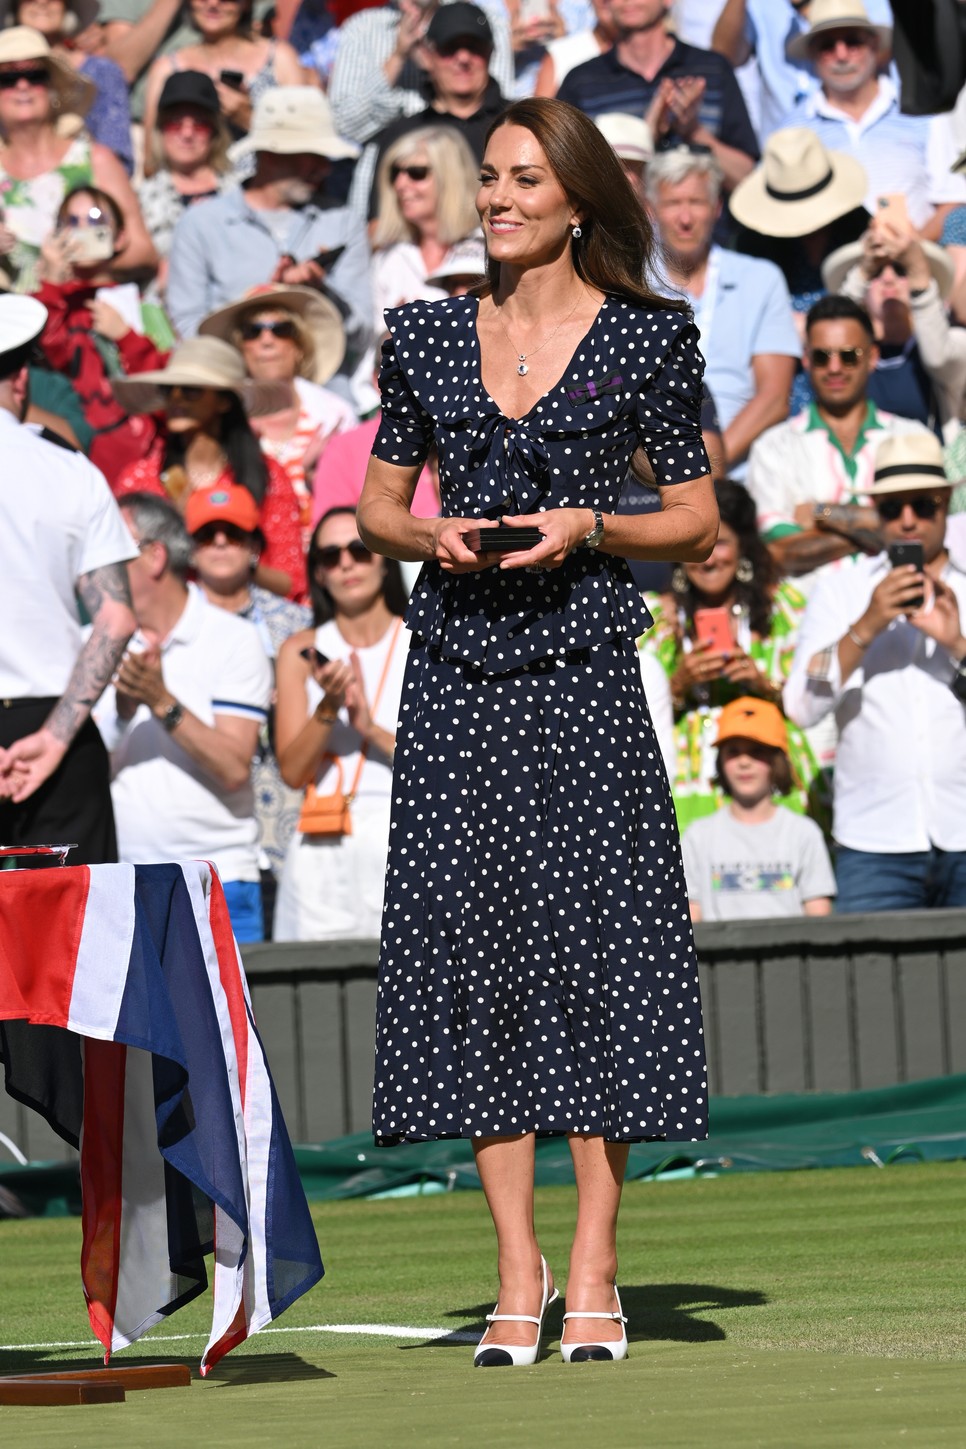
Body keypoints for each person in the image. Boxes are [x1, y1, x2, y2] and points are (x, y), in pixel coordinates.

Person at [357, 96, 717, 1366]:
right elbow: (377, 509)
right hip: (456, 674)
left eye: (521, 180)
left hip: (581, 677)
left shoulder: (647, 341)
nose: (496, 198)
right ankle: (514, 1269)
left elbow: (697, 522)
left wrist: (592, 524)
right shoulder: (424, 335)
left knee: (600, 952)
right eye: (488, 180)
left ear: (576, 198)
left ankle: (596, 1260)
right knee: (478, 959)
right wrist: (430, 536)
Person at [784, 432, 966, 912]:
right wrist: (865, 626)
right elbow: (802, 705)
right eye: (892, 508)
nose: (907, 519)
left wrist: (957, 644)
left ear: (945, 502)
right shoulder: (842, 591)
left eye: (922, 505)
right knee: (871, 986)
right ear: (877, 512)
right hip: (874, 843)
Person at [97, 492, 272, 941]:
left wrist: (160, 701)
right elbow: (84, 771)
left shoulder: (233, 639)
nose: (95, 562)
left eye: (109, 545)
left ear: (153, 556)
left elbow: (234, 767)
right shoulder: (92, 642)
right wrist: (121, 711)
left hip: (217, 880)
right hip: (122, 881)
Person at [0, 293, 136, 862]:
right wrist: (57, 737)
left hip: (51, 722)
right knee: (80, 945)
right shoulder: (70, 471)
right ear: (22, 379)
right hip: (55, 726)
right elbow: (116, 616)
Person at [164, 86, 371, 407]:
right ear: (272, 155)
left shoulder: (343, 222)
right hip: (233, 401)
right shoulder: (201, 223)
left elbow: (361, 331)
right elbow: (188, 326)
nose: (325, 168)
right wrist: (258, 312)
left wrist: (322, 296)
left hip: (327, 401)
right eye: (313, 156)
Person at [639, 477, 823, 833]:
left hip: (766, 767)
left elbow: (812, 703)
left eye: (719, 543)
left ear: (743, 550)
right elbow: (630, 718)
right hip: (684, 779)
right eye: (696, 545)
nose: (707, 559)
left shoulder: (785, 611)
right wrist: (677, 685)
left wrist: (761, 684)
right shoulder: (651, 619)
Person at [273, 507, 409, 940]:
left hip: (403, 833)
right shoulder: (302, 649)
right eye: (330, 556)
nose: (346, 563)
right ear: (319, 572)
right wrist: (328, 706)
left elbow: (447, 765)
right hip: (320, 843)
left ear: (384, 558)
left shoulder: (420, 639)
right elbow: (293, 773)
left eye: (359, 549)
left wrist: (369, 729)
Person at [185, 481, 311, 924]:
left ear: (255, 546)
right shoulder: (174, 627)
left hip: (287, 807)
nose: (220, 544)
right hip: (209, 810)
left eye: (233, 534)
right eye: (207, 535)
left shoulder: (295, 622)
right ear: (190, 549)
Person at [745, 295, 935, 586]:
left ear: (872, 357)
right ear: (806, 359)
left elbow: (931, 537)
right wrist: (886, 528)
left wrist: (823, 513)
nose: (834, 368)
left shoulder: (912, 437)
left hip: (902, 615)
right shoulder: (772, 448)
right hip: (809, 619)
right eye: (822, 356)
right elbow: (779, 553)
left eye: (849, 355)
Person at [111, 335, 307, 600]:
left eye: (191, 390)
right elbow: (119, 569)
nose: (176, 399)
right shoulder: (140, 478)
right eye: (169, 390)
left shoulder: (268, 476)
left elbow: (291, 582)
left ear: (224, 402)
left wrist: (232, 560)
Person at [648, 146, 800, 475]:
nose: (685, 218)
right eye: (673, 203)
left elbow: (774, 397)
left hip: (740, 473)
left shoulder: (760, 279)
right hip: (650, 476)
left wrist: (707, 469)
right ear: (651, 210)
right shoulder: (631, 284)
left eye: (697, 203)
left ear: (717, 208)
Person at [779, 0, 966, 237]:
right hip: (830, 270)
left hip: (923, 264)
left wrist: (908, 252)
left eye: (853, 41)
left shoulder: (924, 113)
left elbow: (955, 200)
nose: (842, 55)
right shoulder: (791, 131)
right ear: (812, 53)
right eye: (827, 45)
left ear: (874, 44)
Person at [31, 184, 171, 489]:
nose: (83, 231)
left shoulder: (144, 308)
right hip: (72, 460)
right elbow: (50, 351)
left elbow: (168, 391)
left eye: (95, 220)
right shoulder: (49, 303)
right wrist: (52, 281)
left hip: (141, 460)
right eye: (72, 222)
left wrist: (126, 337)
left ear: (120, 237)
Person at [0, 26, 155, 293]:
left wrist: (89, 260)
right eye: (7, 79)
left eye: (34, 75)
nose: (22, 85)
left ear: (52, 88)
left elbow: (143, 251)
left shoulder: (95, 159)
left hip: (86, 317)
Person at [198, 283, 355, 546]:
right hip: (251, 557)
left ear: (299, 346)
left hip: (328, 556)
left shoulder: (335, 414)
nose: (267, 340)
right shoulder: (221, 417)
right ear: (241, 348)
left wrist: (324, 476)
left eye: (281, 330)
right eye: (253, 332)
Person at [556, 0, 759, 192]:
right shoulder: (581, 81)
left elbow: (746, 178)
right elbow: (566, 176)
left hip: (710, 228)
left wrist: (694, 132)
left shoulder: (712, 69)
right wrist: (647, 134)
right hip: (622, 228)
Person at [350, 3, 510, 224]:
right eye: (450, 48)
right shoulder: (404, 133)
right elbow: (380, 225)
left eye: (474, 47)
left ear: (491, 52)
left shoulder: (518, 125)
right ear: (428, 54)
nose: (463, 58)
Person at [682, 697, 836, 921]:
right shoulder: (697, 836)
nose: (744, 762)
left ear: (777, 761)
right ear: (720, 763)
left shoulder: (804, 833)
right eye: (733, 752)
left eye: (757, 751)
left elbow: (818, 916)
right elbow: (691, 916)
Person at [823, 223, 966, 442]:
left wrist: (919, 273)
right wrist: (861, 273)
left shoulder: (955, 343)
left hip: (934, 472)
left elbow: (939, 359)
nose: (889, 279)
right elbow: (828, 341)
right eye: (877, 272)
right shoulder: (849, 355)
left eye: (901, 270)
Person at [140, 0, 309, 169]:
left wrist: (248, 118)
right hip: (199, 191)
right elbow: (151, 160)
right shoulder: (168, 68)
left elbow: (306, 144)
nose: (213, 3)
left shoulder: (280, 58)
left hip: (265, 185)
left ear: (246, 4)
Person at [327, 0, 515, 148]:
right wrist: (398, 56)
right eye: (450, 48)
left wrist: (433, 65)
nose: (463, 57)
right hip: (395, 177)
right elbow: (347, 127)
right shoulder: (363, 28)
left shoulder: (484, 23)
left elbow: (498, 113)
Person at [710, 0, 895, 141]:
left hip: (861, 131)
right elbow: (723, 58)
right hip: (785, 148)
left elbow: (882, 48)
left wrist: (817, 19)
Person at [368, 124, 482, 328]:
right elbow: (370, 353)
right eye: (396, 173)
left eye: (416, 172)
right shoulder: (388, 259)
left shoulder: (487, 251)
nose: (400, 185)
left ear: (450, 177)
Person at [137, 70, 234, 304]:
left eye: (199, 124)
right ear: (161, 130)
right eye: (175, 124)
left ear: (214, 132)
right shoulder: (141, 199)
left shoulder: (239, 191)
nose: (187, 133)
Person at [11, 0, 134, 172]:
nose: (41, 2)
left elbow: (119, 162)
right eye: (9, 78)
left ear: (67, 6)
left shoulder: (102, 71)